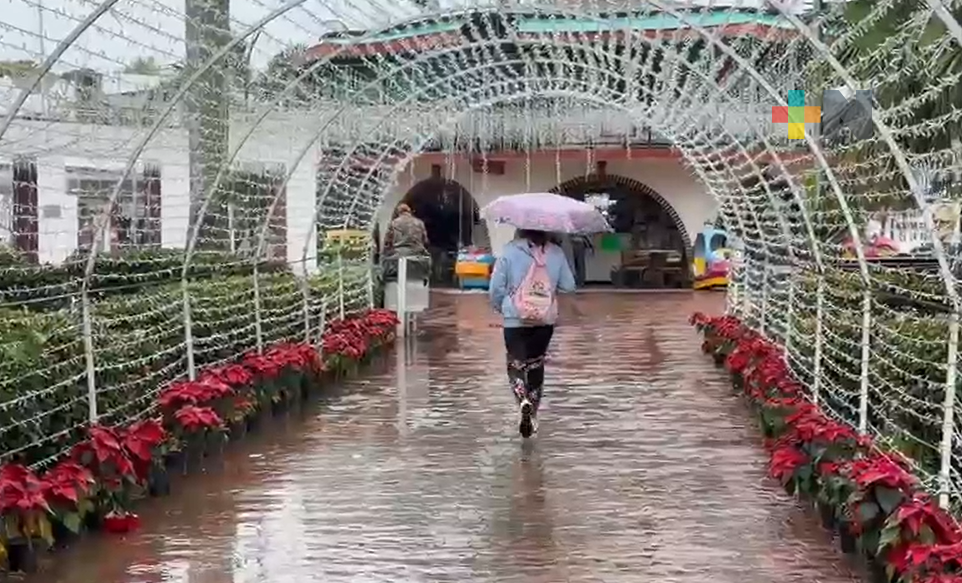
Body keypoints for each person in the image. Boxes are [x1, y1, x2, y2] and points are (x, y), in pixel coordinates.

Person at [488, 229, 576, 438]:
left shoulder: (509, 251)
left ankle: (523, 402)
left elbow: (496, 288)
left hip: (514, 319)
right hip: (544, 319)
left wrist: (503, 308)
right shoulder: (556, 253)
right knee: (536, 364)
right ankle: (533, 414)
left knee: (515, 363)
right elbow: (569, 285)